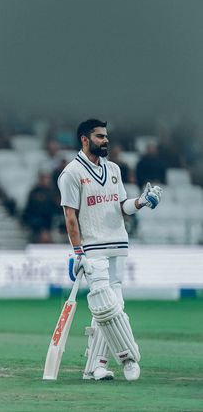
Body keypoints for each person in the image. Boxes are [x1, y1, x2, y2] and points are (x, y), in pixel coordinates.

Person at [58, 119, 162, 381]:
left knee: (110, 307)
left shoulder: (113, 168)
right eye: (99, 136)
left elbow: (121, 206)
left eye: (106, 136)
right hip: (92, 248)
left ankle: (96, 366)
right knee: (106, 305)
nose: (105, 140)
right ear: (85, 139)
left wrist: (141, 202)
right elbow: (70, 217)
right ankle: (128, 358)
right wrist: (78, 252)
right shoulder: (71, 173)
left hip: (118, 244)